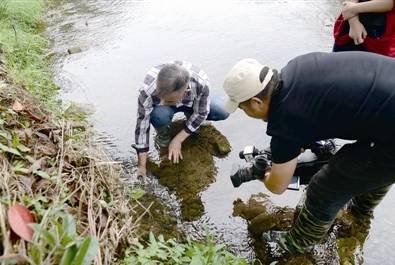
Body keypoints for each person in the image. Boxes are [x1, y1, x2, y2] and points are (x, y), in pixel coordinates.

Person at [222, 52, 395, 254]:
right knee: (364, 164)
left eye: (243, 109)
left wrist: (264, 174)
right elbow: (312, 116)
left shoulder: (287, 119)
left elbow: (278, 186)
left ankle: (301, 242)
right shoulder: (296, 67)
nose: (247, 114)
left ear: (256, 102)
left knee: (325, 187)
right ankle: (360, 212)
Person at [133, 61, 229, 177]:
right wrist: (142, 166)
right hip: (166, 110)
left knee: (223, 111)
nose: (162, 102)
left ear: (185, 92)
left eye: (168, 100)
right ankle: (163, 135)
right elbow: (142, 126)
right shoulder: (147, 88)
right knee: (159, 113)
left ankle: (190, 119)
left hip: (193, 102)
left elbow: (201, 113)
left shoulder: (200, 82)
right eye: (160, 98)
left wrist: (178, 140)